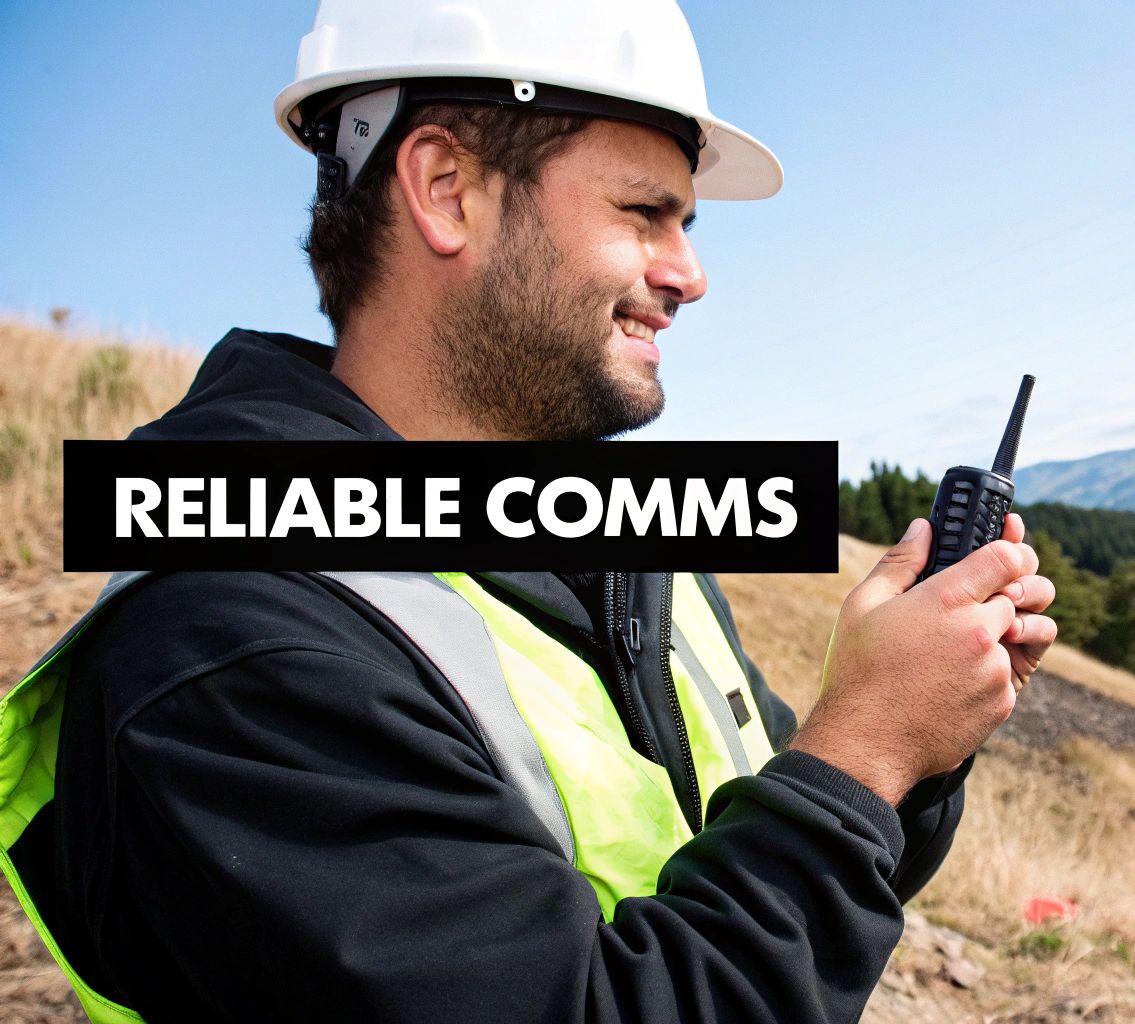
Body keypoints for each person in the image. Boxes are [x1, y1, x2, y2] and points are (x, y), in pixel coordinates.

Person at [0, 2, 1057, 1020]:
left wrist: (915, 738)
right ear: (447, 187)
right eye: (644, 213)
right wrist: (866, 746)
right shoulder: (230, 640)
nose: (690, 275)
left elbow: (775, 886)